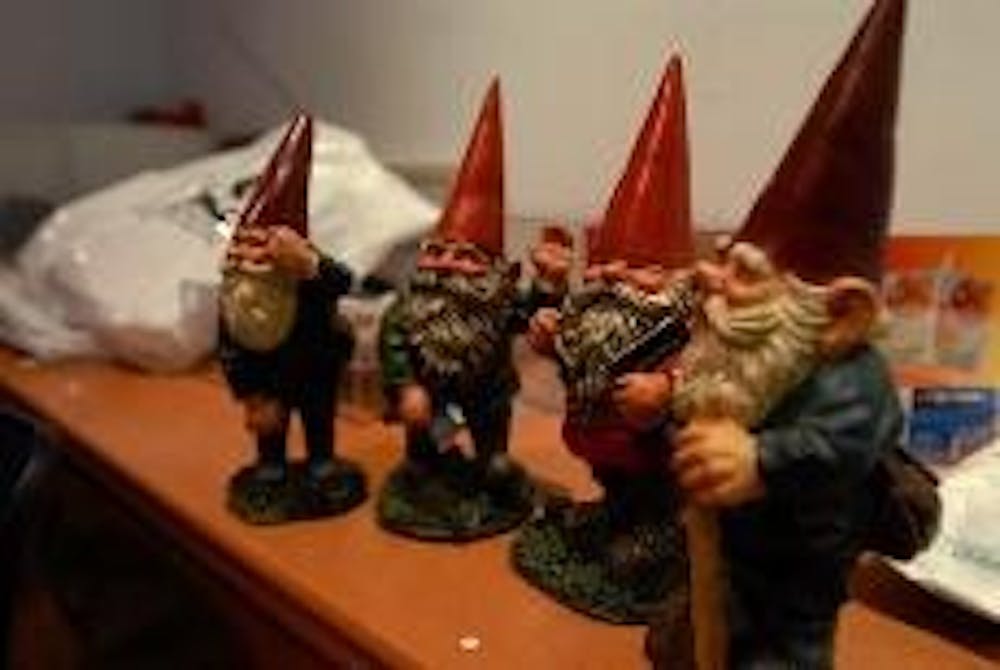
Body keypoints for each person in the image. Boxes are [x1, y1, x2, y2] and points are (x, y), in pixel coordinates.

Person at [648, 1, 908, 666]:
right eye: (724, 259)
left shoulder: (854, 380)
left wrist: (762, 459)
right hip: (730, 539)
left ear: (841, 311)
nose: (712, 278)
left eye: (743, 273)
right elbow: (713, 394)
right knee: (713, 626)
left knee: (785, 642)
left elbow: (841, 444)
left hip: (800, 553)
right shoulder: (749, 344)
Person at [515, 56, 696, 623]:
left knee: (653, 489)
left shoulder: (688, 324)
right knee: (616, 482)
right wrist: (547, 320)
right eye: (606, 266)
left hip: (658, 450)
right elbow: (571, 344)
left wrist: (669, 390)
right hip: (599, 436)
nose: (615, 278)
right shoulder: (591, 311)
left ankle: (657, 533)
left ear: (677, 279)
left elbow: (714, 376)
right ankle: (616, 513)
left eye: (638, 269)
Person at [378, 80, 572, 540]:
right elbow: (393, 336)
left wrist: (550, 284)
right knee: (423, 452)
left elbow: (532, 315)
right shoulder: (412, 305)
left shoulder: (497, 303)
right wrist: (405, 386)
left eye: (464, 257)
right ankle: (425, 469)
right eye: (438, 252)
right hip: (428, 397)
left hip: (486, 395)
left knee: (495, 461)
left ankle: (490, 467)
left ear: (491, 269)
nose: (447, 265)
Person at [219, 114, 364, 524]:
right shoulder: (235, 294)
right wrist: (250, 395)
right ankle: (271, 465)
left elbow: (344, 281)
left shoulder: (307, 277)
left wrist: (309, 264)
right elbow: (229, 348)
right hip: (266, 378)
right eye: (244, 244)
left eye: (264, 246)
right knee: (271, 430)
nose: (252, 256)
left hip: (316, 369)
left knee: (318, 419)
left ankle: (321, 459)